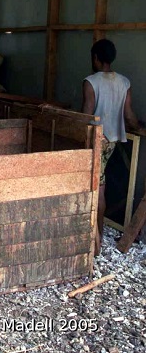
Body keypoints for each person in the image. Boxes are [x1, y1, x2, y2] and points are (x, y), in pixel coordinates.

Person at [82, 39, 145, 254]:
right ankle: (97, 234)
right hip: (113, 140)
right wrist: (139, 127)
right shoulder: (124, 82)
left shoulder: (90, 82)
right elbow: (129, 116)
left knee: (96, 188)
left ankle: (96, 240)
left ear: (96, 58)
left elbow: (86, 115)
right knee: (101, 183)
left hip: (95, 141)